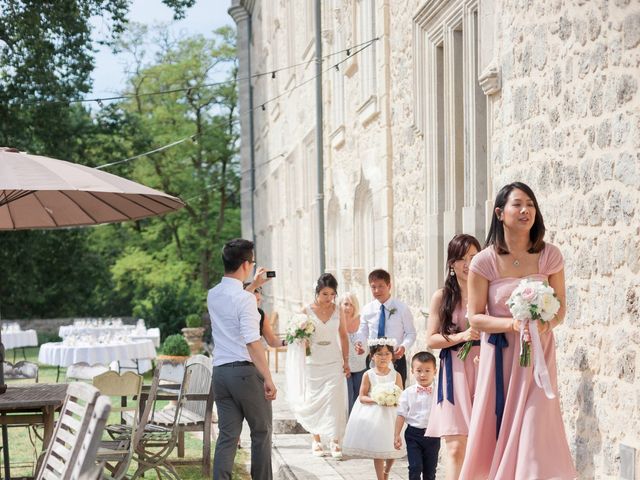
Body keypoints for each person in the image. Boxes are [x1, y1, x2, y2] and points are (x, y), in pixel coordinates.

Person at [459, 182, 577, 479]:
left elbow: (560, 309)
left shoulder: (550, 256)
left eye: (531, 205)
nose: (526, 210)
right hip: (501, 357)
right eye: (518, 204)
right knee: (497, 428)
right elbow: (475, 317)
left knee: (535, 430)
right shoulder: (483, 262)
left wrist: (542, 324)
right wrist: (512, 324)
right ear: (500, 213)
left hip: (538, 356)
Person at [208, 238, 276, 480]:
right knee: (261, 432)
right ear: (247, 264)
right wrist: (268, 378)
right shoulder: (245, 299)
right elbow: (252, 341)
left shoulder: (213, 294)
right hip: (246, 374)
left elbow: (234, 300)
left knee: (228, 436)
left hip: (221, 374)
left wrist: (253, 285)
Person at [424, 234, 481, 480]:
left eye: (474, 257)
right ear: (452, 263)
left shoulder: (487, 293)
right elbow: (431, 339)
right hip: (454, 374)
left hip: (484, 370)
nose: (469, 263)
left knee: (481, 446)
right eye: (463, 258)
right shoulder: (442, 297)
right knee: (456, 448)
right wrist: (462, 336)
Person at [289, 273, 350, 459]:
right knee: (314, 400)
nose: (329, 298)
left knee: (335, 401)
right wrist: (302, 341)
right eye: (325, 294)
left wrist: (346, 361)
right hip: (313, 362)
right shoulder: (305, 311)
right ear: (317, 292)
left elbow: (343, 336)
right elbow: (297, 337)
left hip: (333, 361)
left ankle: (335, 440)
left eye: (332, 294)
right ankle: (316, 439)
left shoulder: (338, 310)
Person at [343, 338, 405, 479]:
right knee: (379, 449)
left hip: (392, 416)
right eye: (379, 354)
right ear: (372, 356)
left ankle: (387, 471)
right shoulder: (368, 374)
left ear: (392, 356)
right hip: (375, 416)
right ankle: (380, 478)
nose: (383, 357)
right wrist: (378, 400)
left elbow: (401, 395)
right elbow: (362, 397)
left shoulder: (396, 375)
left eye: (386, 354)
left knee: (393, 448)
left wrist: (393, 400)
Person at [356, 269, 417, 387]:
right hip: (373, 358)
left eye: (381, 286)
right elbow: (363, 332)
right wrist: (359, 343)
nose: (377, 290)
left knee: (396, 394)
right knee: (372, 392)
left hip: (396, 358)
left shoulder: (402, 308)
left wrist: (403, 347)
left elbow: (411, 333)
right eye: (373, 287)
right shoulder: (367, 309)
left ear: (389, 286)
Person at [394, 351, 441, 480]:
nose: (423, 374)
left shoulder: (440, 391)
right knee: (415, 467)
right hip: (413, 435)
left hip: (433, 435)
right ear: (412, 371)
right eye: (419, 370)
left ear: (435, 371)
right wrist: (396, 434)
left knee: (430, 471)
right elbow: (401, 414)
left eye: (427, 370)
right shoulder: (407, 393)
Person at [244, 267, 285, 349]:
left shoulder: (261, 315)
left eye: (258, 300)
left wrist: (288, 341)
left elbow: (272, 341)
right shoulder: (236, 313)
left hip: (255, 357)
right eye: (253, 300)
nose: (256, 303)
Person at [340, 292, 366, 413]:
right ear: (340, 304)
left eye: (351, 304)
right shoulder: (336, 321)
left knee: (359, 397)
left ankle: (358, 424)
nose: (348, 308)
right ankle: (347, 425)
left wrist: (362, 346)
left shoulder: (361, 320)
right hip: (343, 365)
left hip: (360, 365)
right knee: (347, 397)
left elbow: (366, 338)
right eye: (345, 304)